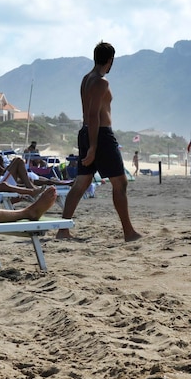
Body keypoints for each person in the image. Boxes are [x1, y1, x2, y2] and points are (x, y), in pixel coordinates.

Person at [56, 41, 141, 242]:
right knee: (120, 182)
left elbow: (89, 115)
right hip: (100, 135)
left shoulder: (86, 79)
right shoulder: (101, 83)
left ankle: (63, 229)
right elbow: (94, 115)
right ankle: (129, 232)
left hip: (86, 133)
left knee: (81, 183)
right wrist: (94, 147)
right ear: (110, 60)